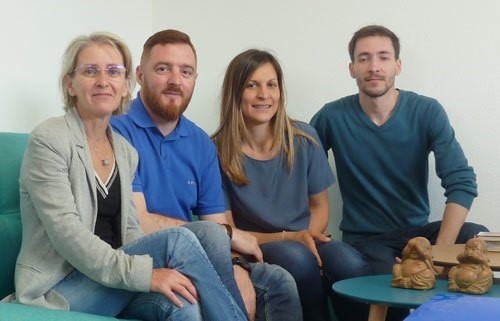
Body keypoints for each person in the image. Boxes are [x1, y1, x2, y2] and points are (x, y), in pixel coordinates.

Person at [10, 32, 249, 321]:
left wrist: (156, 273)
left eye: (113, 71)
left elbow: (132, 231)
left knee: (185, 303)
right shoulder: (49, 139)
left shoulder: (124, 151)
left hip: (112, 282)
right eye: (90, 71)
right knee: (178, 241)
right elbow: (67, 235)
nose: (103, 80)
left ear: (125, 85)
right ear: (70, 84)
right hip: (60, 288)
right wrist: (145, 274)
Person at [111, 29, 301, 321]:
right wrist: (224, 240)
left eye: (186, 71)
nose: (176, 80)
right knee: (191, 299)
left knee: (278, 283)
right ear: (139, 74)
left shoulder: (200, 143)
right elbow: (140, 222)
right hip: (144, 266)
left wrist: (235, 266)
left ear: (195, 79)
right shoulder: (117, 132)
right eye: (163, 69)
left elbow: (220, 227)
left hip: (202, 260)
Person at [310, 25, 488, 319]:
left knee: (475, 236)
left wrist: (439, 254)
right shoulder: (331, 116)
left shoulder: (427, 111)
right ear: (352, 68)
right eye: (364, 58)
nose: (374, 67)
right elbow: (298, 168)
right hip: (368, 240)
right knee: (390, 281)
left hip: (419, 233)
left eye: (383, 57)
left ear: (398, 65)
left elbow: (462, 182)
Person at [211, 49, 371, 321]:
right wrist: (289, 238)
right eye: (252, 85)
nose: (264, 94)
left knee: (350, 262)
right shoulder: (215, 151)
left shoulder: (304, 137)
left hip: (305, 236)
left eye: (271, 85)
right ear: (235, 93)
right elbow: (228, 230)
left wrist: (305, 236)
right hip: (255, 245)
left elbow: (320, 206)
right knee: (298, 259)